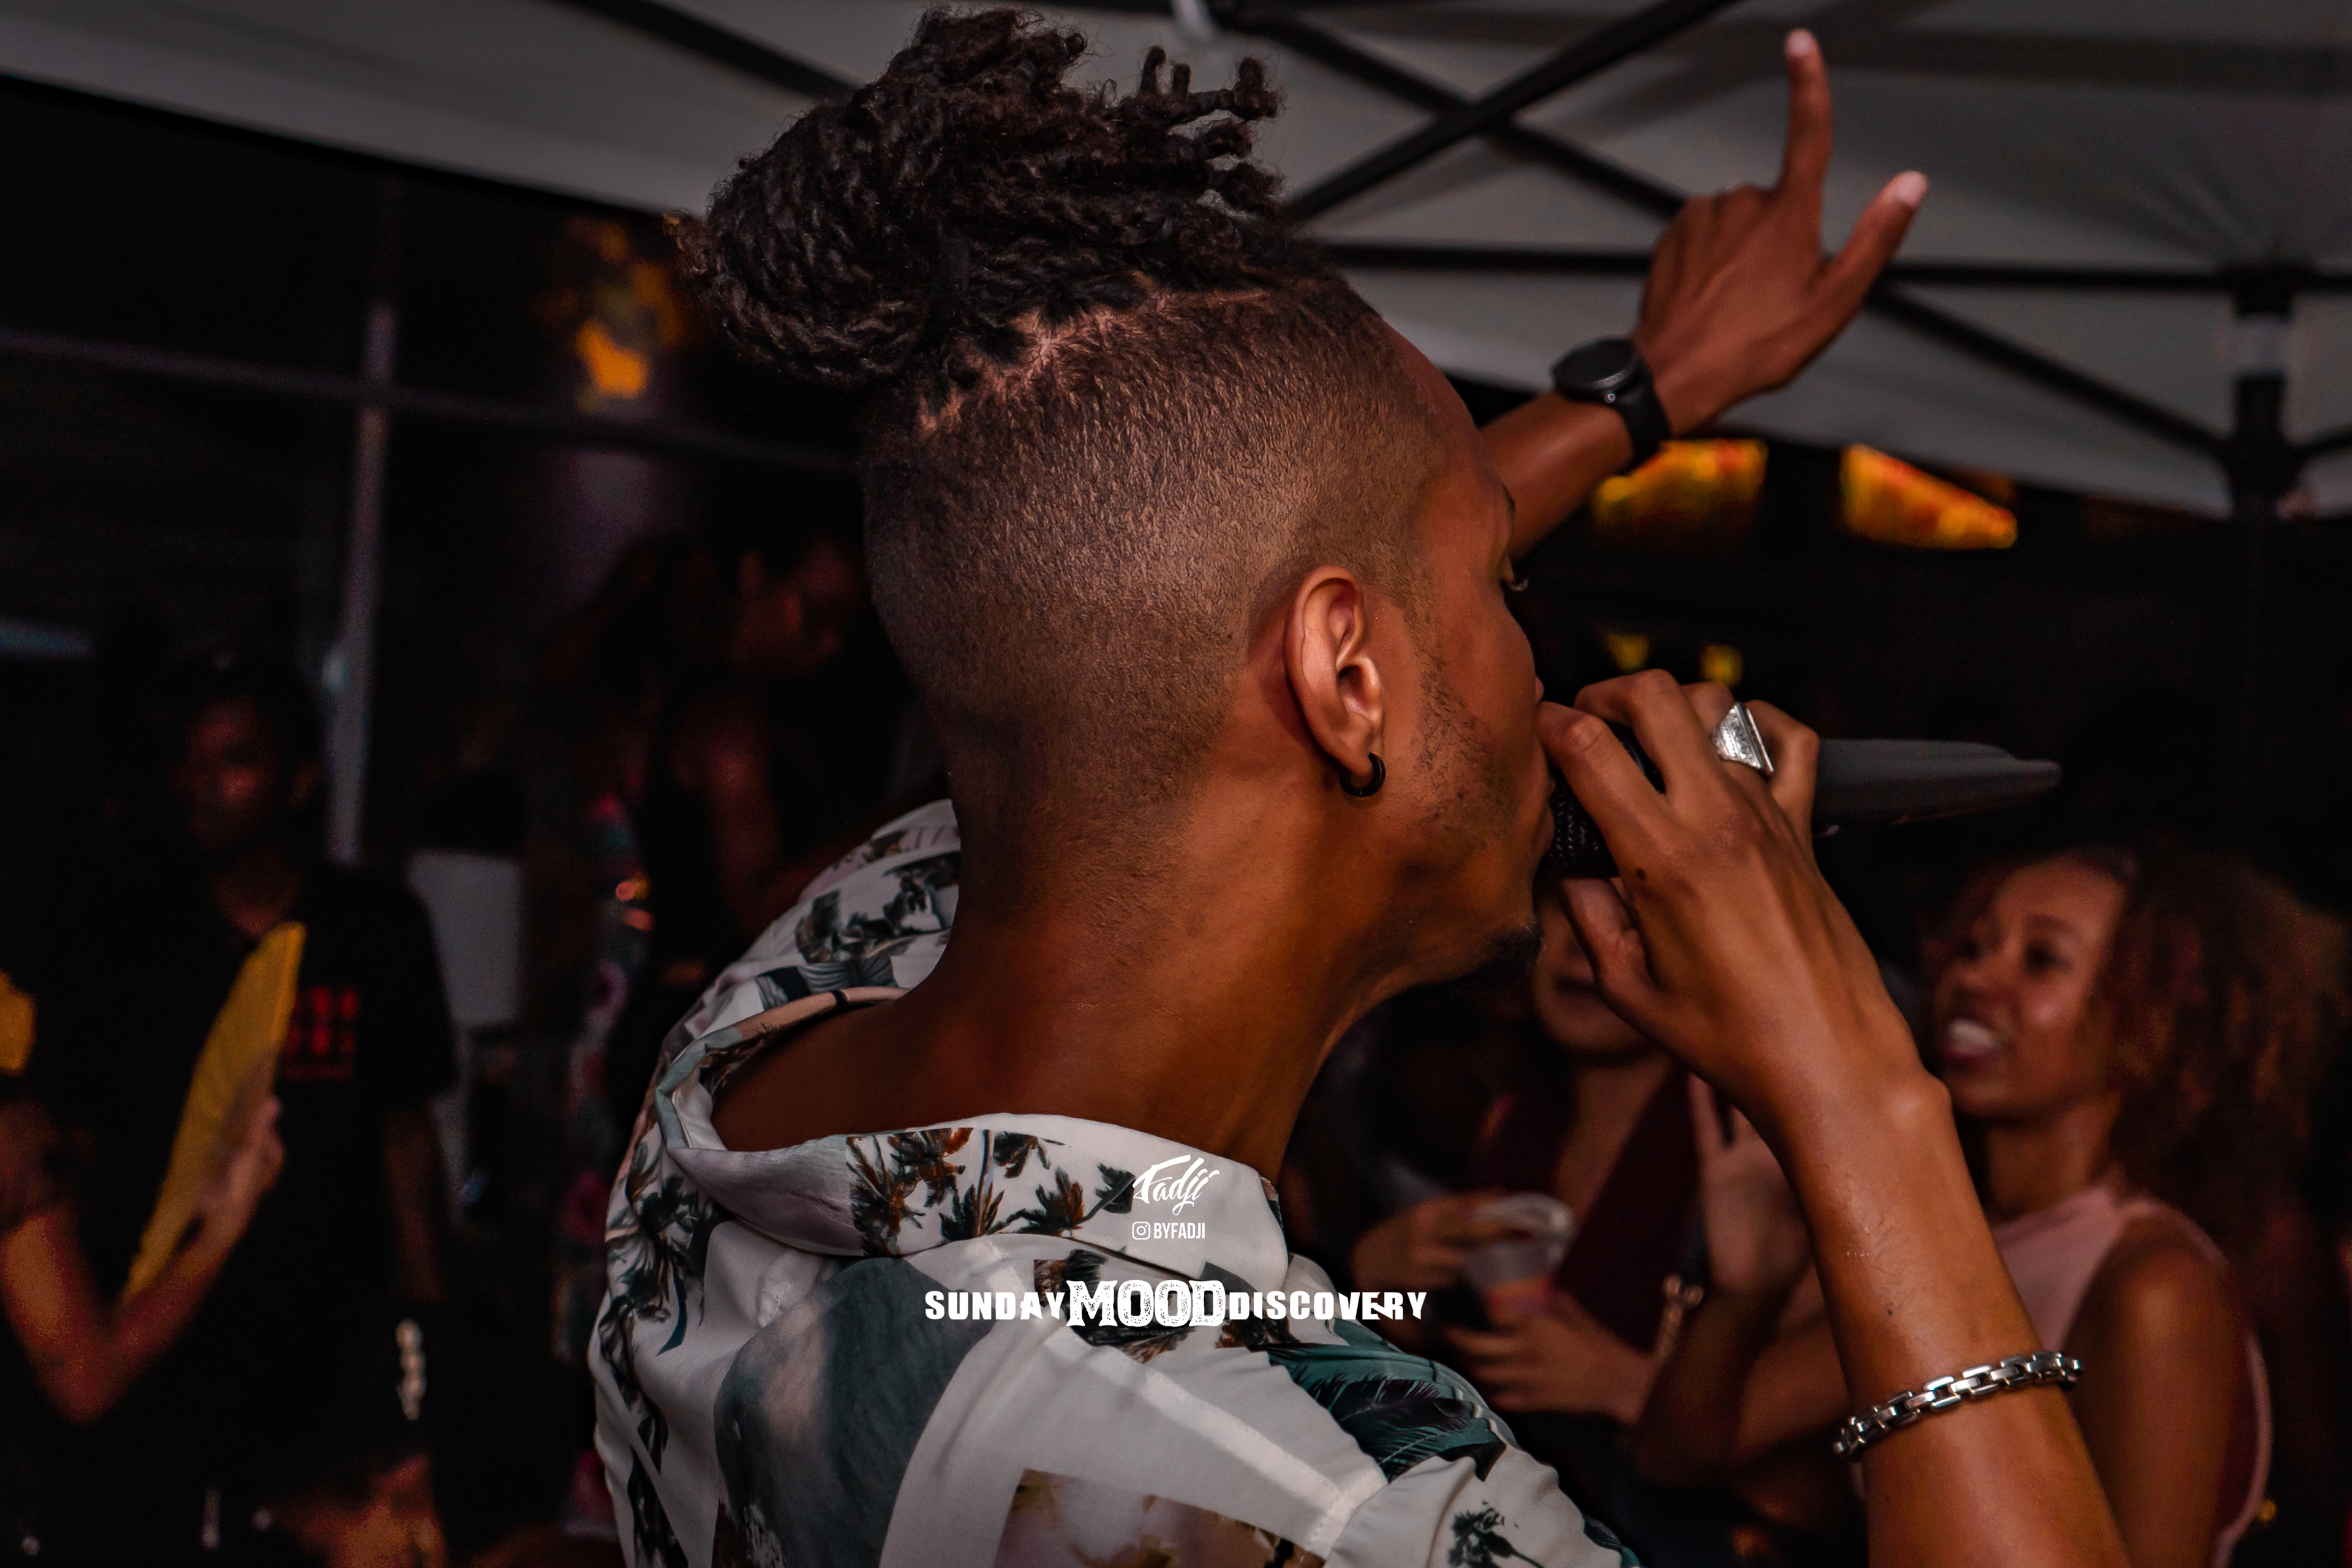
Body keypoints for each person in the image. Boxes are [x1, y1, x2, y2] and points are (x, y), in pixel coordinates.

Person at [594, 11, 2132, 1567]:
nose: (1538, 666)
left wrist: (1645, 391)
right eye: (1503, 585)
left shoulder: (749, 1055)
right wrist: (1856, 1093)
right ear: (1348, 677)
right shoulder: (1305, 1502)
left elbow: (1179, 593)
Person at [1635, 845, 2339, 1568]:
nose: (1974, 979)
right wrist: (1745, 1293)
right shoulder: (1951, 1243)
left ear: (2151, 1021)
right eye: (1972, 947)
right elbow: (1678, 1455)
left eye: (2041, 960)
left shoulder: (2154, 1284)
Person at [23, 649, 459, 1562]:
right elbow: (68, 1143)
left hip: (320, 1336)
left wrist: (429, 1326)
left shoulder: (373, 929)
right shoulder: (120, 931)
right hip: (158, 1331)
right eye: (188, 759)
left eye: (235, 760)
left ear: (299, 779)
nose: (202, 785)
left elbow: (403, 1135)